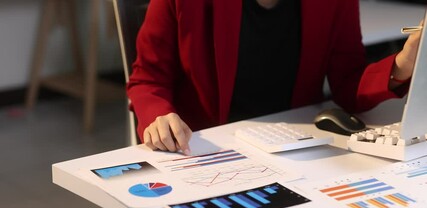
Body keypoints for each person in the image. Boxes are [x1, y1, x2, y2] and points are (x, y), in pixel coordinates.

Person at [127, 0, 421, 155]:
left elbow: (348, 82)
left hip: (297, 149)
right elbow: (148, 79)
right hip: (207, 151)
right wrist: (159, 116)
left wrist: (404, 63)